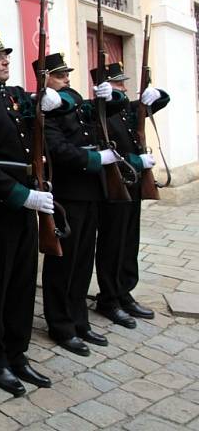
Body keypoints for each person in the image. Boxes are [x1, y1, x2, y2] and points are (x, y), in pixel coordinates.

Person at [0, 35, 66, 398]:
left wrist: (54, 100)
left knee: (22, 281)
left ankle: (17, 353)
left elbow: (52, 106)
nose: (4, 61)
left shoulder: (15, 95)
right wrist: (22, 195)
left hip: (27, 203)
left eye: (5, 55)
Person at [42, 53, 126, 357]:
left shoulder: (74, 101)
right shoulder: (46, 108)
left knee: (83, 262)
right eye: (59, 74)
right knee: (63, 263)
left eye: (67, 74)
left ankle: (79, 319)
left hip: (91, 191)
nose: (66, 79)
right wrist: (93, 159)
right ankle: (61, 324)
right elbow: (58, 149)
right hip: (67, 194)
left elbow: (103, 112)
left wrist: (112, 95)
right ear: (46, 78)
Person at [92, 62, 170, 326]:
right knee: (112, 244)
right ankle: (109, 298)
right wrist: (136, 161)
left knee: (129, 242)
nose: (123, 87)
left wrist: (157, 93)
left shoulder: (125, 108)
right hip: (114, 187)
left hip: (133, 185)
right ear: (103, 88)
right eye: (116, 83)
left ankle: (125, 292)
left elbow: (156, 104)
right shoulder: (99, 113)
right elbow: (107, 151)